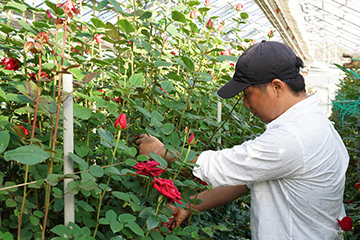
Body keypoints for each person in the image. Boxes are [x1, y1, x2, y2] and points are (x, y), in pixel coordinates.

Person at [136, 40, 349, 240]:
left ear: (276, 87)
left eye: (247, 94)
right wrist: (189, 205)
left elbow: (216, 166)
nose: (245, 105)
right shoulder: (317, 126)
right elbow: (246, 179)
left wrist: (161, 153)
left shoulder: (292, 138)